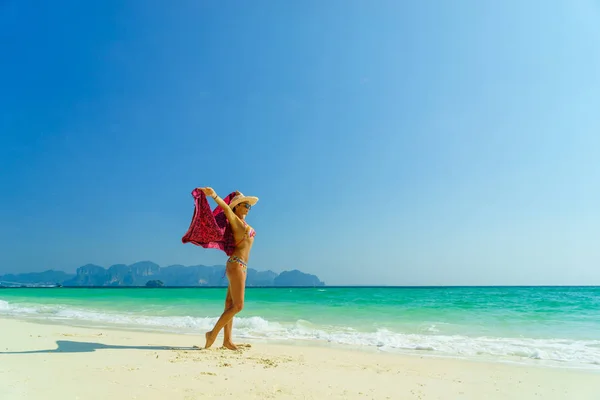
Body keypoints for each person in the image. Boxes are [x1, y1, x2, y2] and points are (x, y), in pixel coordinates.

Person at [197, 187, 258, 350]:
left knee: (230, 304)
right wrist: (214, 195)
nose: (248, 208)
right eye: (245, 204)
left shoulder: (245, 224)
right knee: (238, 306)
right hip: (236, 264)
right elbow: (225, 208)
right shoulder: (236, 222)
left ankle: (227, 341)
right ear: (237, 206)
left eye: (249, 206)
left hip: (241, 266)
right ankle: (212, 334)